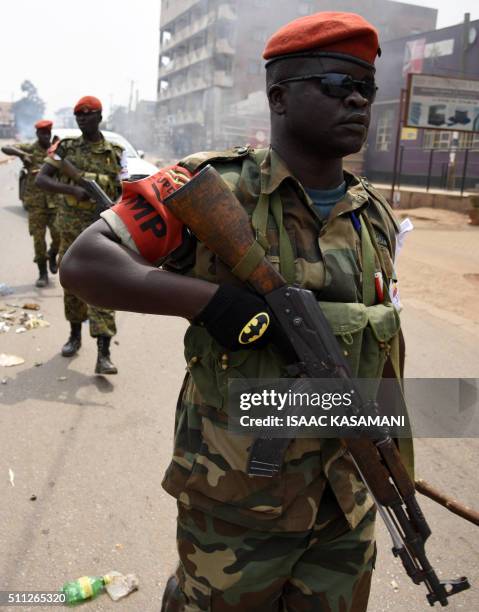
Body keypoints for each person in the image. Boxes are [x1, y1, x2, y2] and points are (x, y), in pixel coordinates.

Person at [60, 12, 412, 611]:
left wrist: (393, 457)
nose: (356, 98)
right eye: (334, 83)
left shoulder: (371, 212)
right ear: (278, 96)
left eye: (366, 87)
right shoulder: (208, 187)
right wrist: (211, 302)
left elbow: (380, 350)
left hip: (346, 502)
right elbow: (86, 262)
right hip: (237, 506)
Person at [35, 96, 128, 375]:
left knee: (105, 283)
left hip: (104, 227)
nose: (83, 119)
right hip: (71, 226)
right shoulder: (66, 148)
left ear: (100, 116)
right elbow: (42, 178)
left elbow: (126, 188)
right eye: (79, 115)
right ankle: (74, 335)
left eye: (89, 114)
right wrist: (73, 190)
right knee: (73, 282)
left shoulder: (116, 151)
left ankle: (104, 353)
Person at [2, 120, 60, 287]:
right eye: (43, 134)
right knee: (38, 239)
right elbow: (4, 148)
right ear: (37, 134)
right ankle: (42, 273)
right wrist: (22, 155)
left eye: (48, 134)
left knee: (58, 235)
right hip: (35, 203)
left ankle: (53, 253)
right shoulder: (30, 148)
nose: (46, 136)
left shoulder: (55, 149)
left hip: (54, 202)